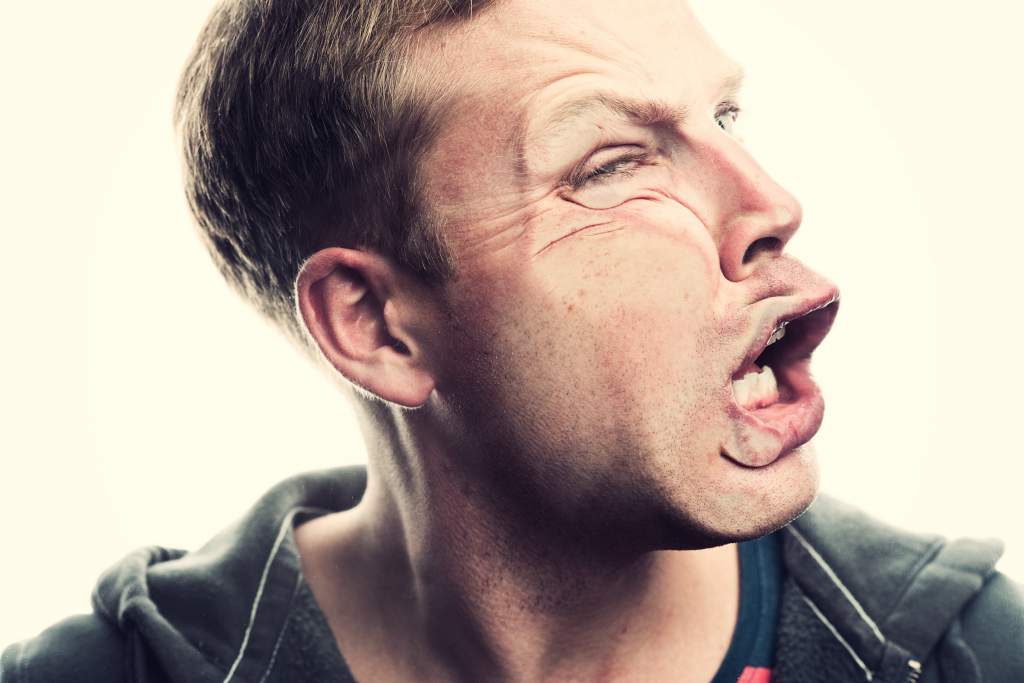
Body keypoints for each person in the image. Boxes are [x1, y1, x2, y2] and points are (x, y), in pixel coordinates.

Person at [3, 0, 1021, 681]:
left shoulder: (964, 655)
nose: (773, 204)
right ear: (374, 324)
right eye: (613, 162)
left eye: (725, 114)